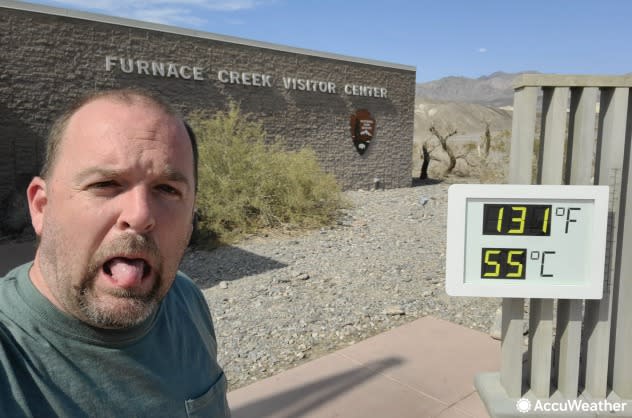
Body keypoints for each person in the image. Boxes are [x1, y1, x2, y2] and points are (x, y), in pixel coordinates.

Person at [0, 89, 231, 417]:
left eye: (167, 189)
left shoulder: (185, 300)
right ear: (41, 207)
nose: (139, 215)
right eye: (105, 184)